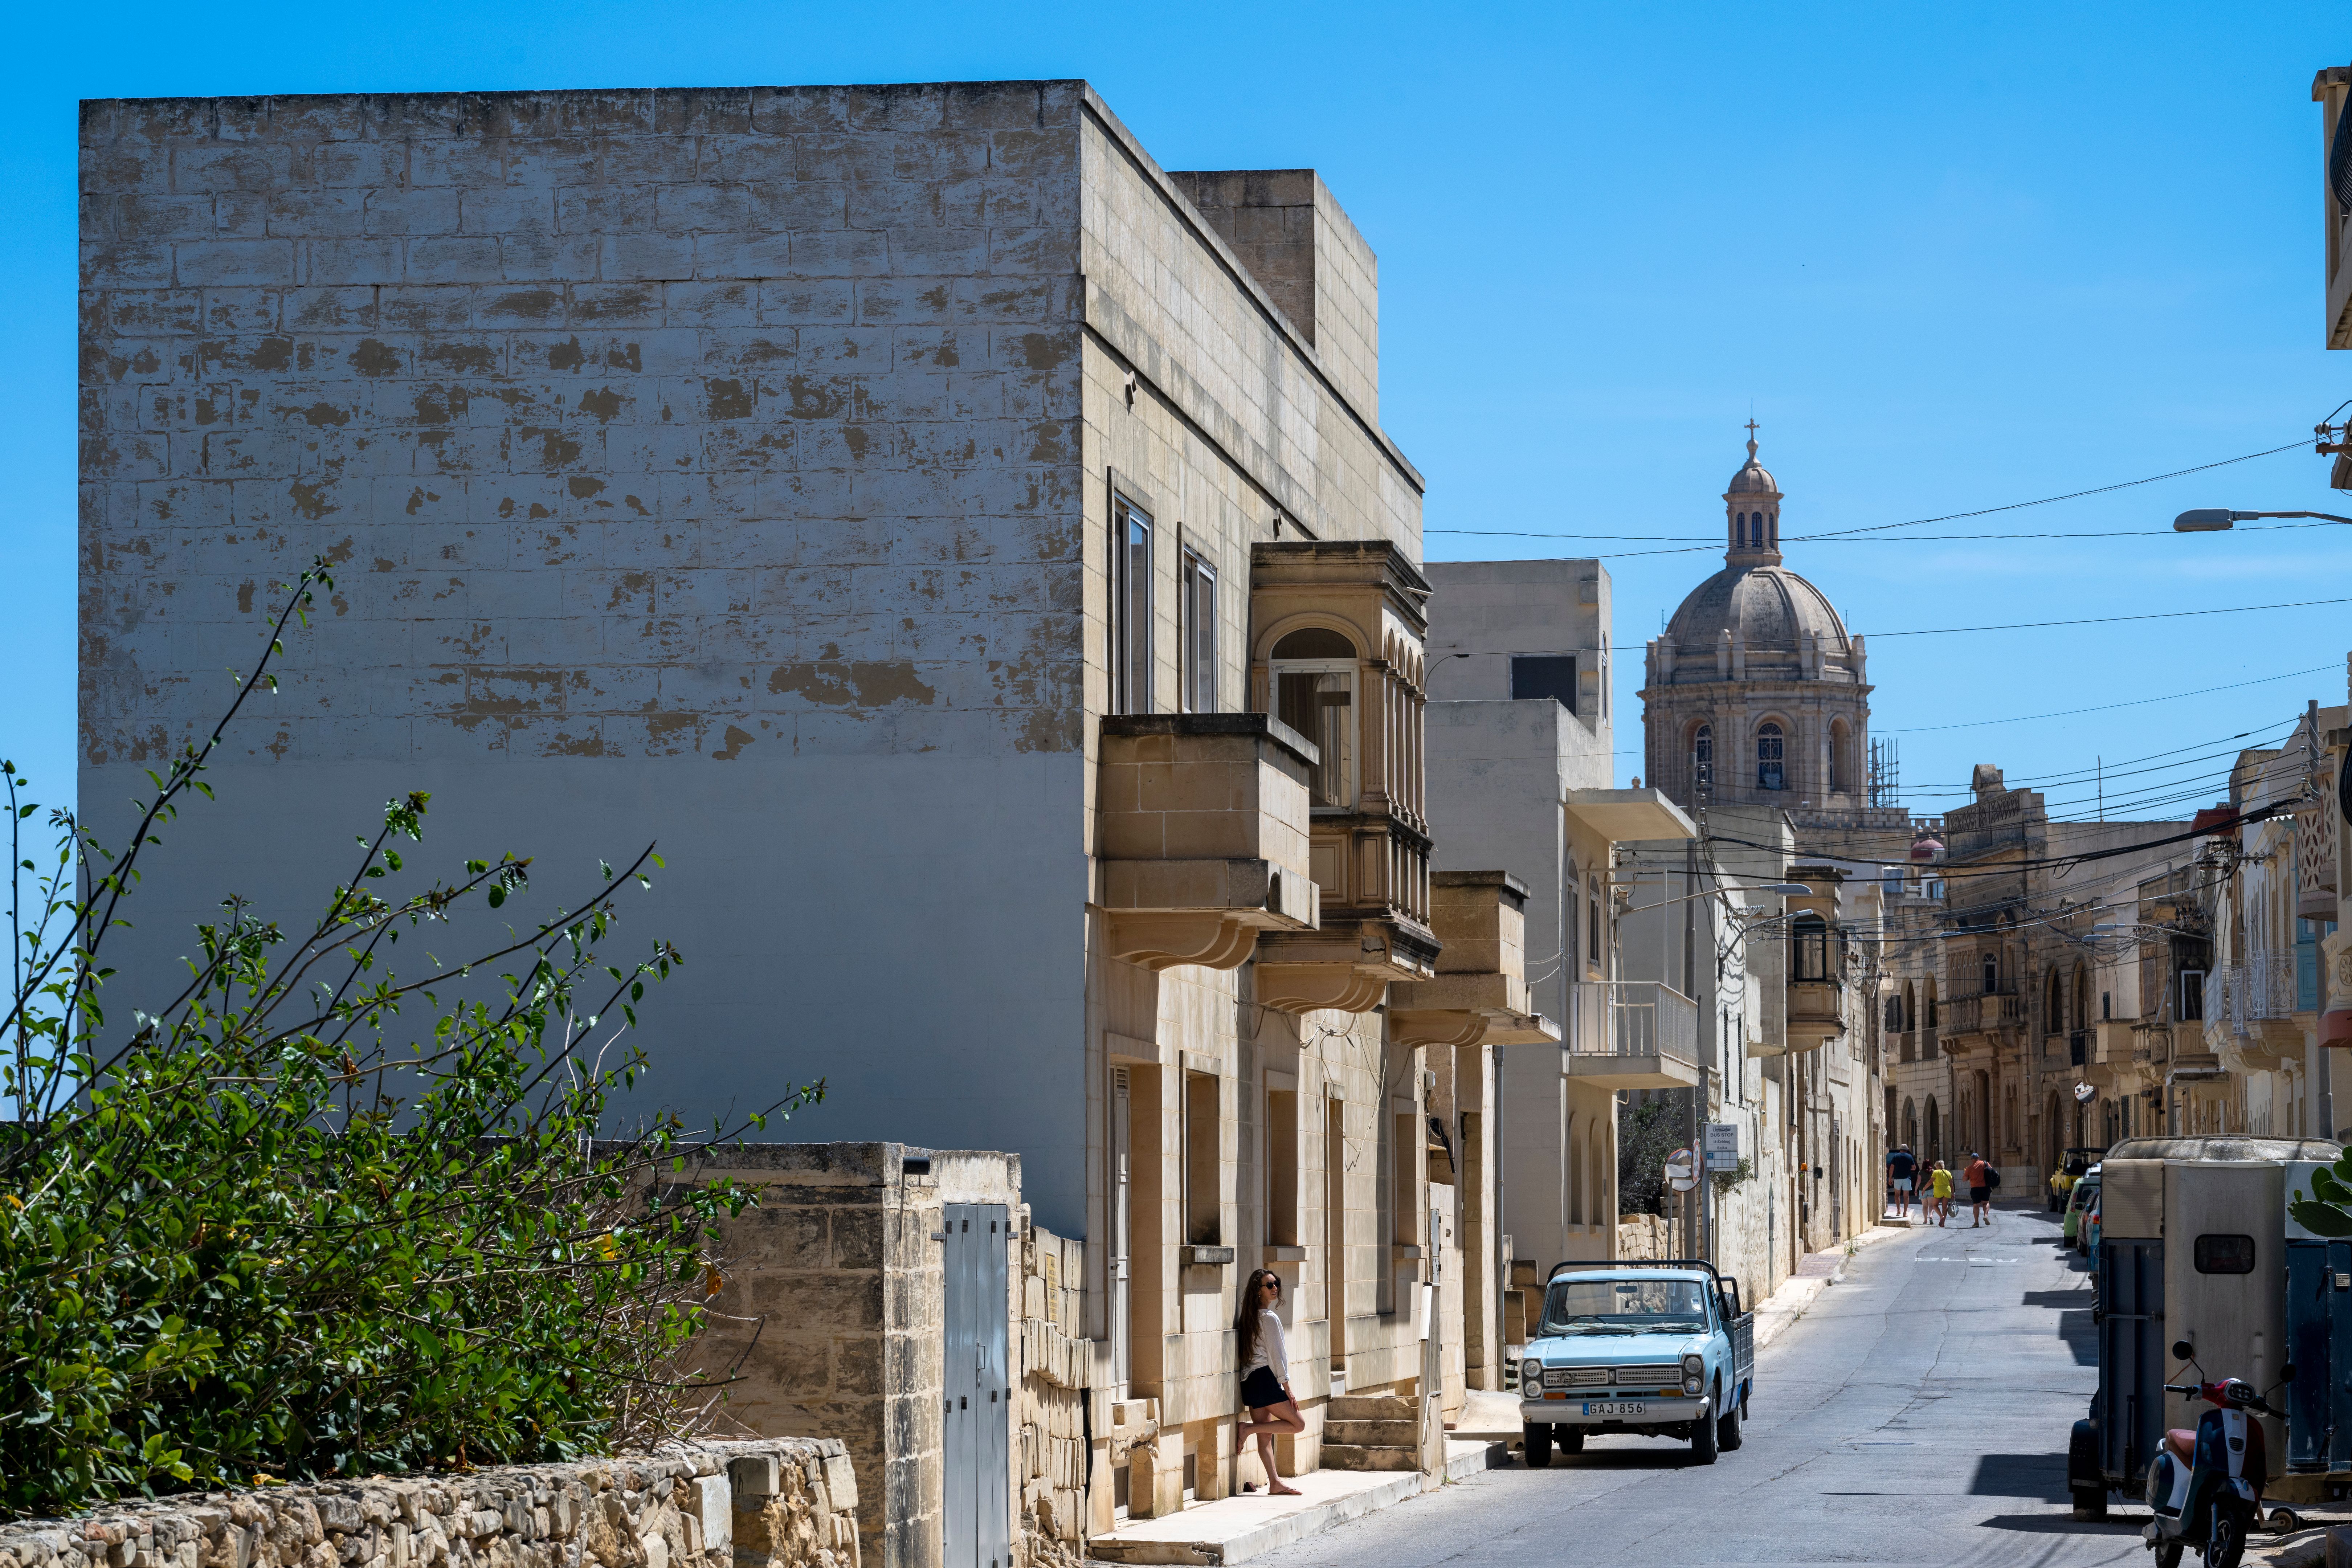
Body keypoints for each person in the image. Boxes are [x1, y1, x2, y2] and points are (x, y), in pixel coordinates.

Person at [1233, 1269, 1303, 1496]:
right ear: (1258, 1291)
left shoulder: (1250, 1317)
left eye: (1277, 1284)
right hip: (1264, 1378)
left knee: (1266, 1436)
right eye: (1270, 1285)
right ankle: (1248, 1429)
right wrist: (1288, 1388)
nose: (1275, 1288)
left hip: (1250, 1381)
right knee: (1298, 1425)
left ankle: (1274, 1483)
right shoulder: (1269, 1318)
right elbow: (1278, 1355)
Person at [1886, 1144, 1917, 1220]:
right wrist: (1907, 1169)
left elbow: (1892, 1168)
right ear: (1907, 1150)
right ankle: (1905, 1213)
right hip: (1907, 1179)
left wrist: (1890, 1178)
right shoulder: (1909, 1157)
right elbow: (1914, 1168)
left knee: (1897, 1195)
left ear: (1900, 1150)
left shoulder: (1896, 1156)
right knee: (1906, 1197)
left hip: (1897, 1178)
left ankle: (1898, 1210)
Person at [1964, 1151, 1994, 1228]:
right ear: (1978, 1158)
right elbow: (1991, 1171)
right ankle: (1986, 1216)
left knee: (1976, 1206)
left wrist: (1969, 1176)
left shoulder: (1969, 1168)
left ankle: (1977, 1222)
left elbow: (1964, 1179)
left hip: (1975, 1188)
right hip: (1985, 1187)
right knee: (1986, 1203)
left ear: (1972, 1160)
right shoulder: (1985, 1164)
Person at [1929, 1160, 1954, 1226]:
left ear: (1937, 1166)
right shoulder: (1948, 1173)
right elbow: (1951, 1185)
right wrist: (1953, 1194)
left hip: (1938, 1191)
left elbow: (1930, 1182)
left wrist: (1924, 1189)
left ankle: (1941, 1216)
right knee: (1945, 1207)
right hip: (1947, 1191)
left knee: (1935, 1205)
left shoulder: (1936, 1172)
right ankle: (1943, 1224)